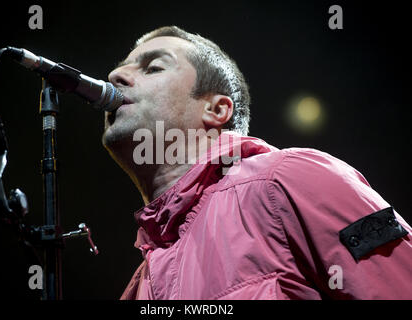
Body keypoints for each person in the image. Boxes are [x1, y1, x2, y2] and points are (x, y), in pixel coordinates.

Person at [102, 26, 412, 300]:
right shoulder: (139, 286)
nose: (115, 76)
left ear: (216, 109)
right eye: (121, 68)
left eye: (153, 67)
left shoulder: (290, 179)